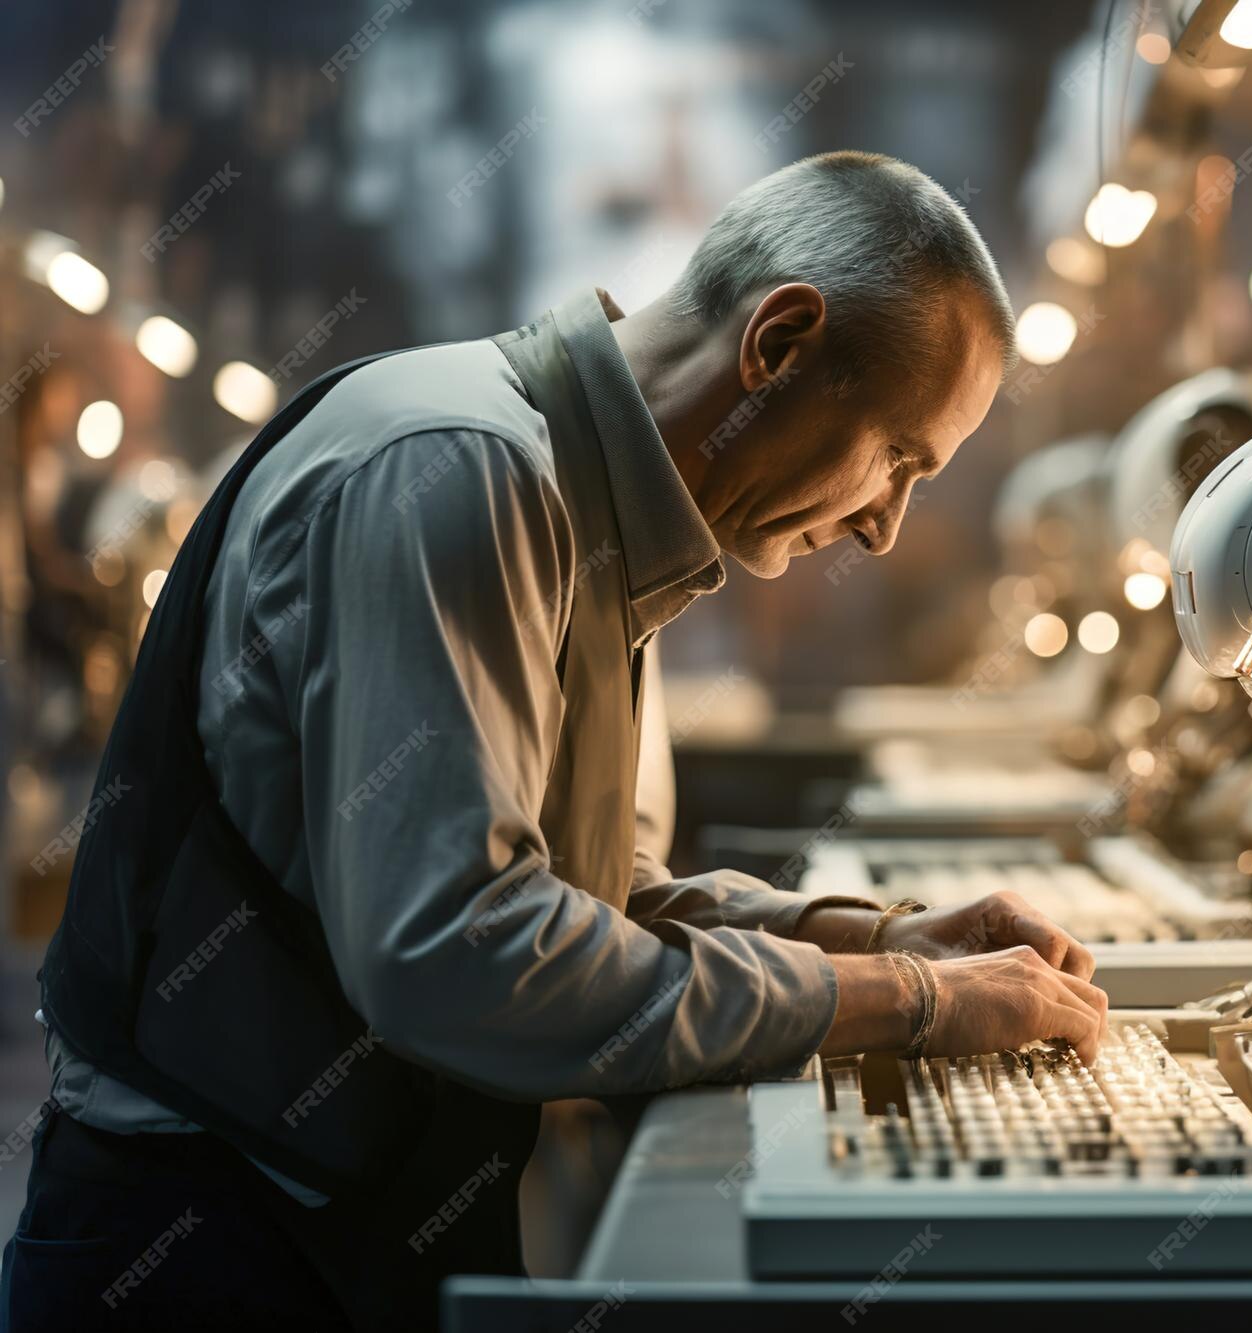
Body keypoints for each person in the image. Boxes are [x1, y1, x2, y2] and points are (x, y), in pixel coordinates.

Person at [4, 151, 1109, 1330]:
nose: (887, 527)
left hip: (305, 1215)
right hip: (200, 1250)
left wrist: (879, 938)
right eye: (900, 456)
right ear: (777, 344)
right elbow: (463, 950)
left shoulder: (572, 503)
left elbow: (586, 897)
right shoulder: (456, 470)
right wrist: (901, 1001)